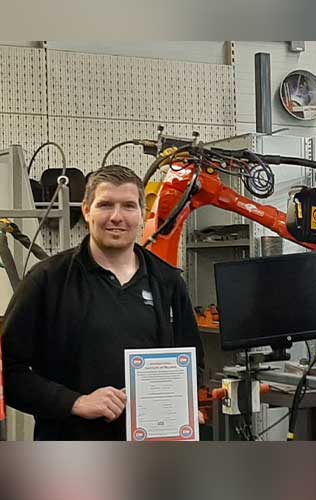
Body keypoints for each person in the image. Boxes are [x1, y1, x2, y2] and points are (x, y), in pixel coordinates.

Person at [1, 164, 204, 440]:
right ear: (87, 210)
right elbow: (8, 374)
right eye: (105, 205)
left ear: (142, 214)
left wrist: (184, 405)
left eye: (129, 206)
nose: (117, 217)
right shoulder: (47, 281)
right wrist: (75, 402)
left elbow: (193, 366)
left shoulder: (168, 283)